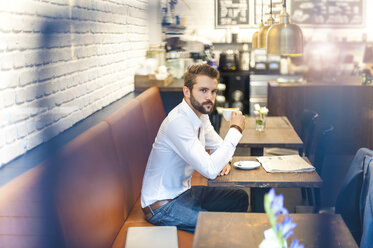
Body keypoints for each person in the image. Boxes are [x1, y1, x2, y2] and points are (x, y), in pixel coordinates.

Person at [141, 64, 248, 233]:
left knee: (239, 197)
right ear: (187, 92)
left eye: (213, 91)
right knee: (219, 227)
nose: (210, 97)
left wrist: (224, 160)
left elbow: (218, 146)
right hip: (163, 206)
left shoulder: (201, 115)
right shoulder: (178, 122)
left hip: (185, 193)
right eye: (203, 90)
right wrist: (235, 130)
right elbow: (211, 170)